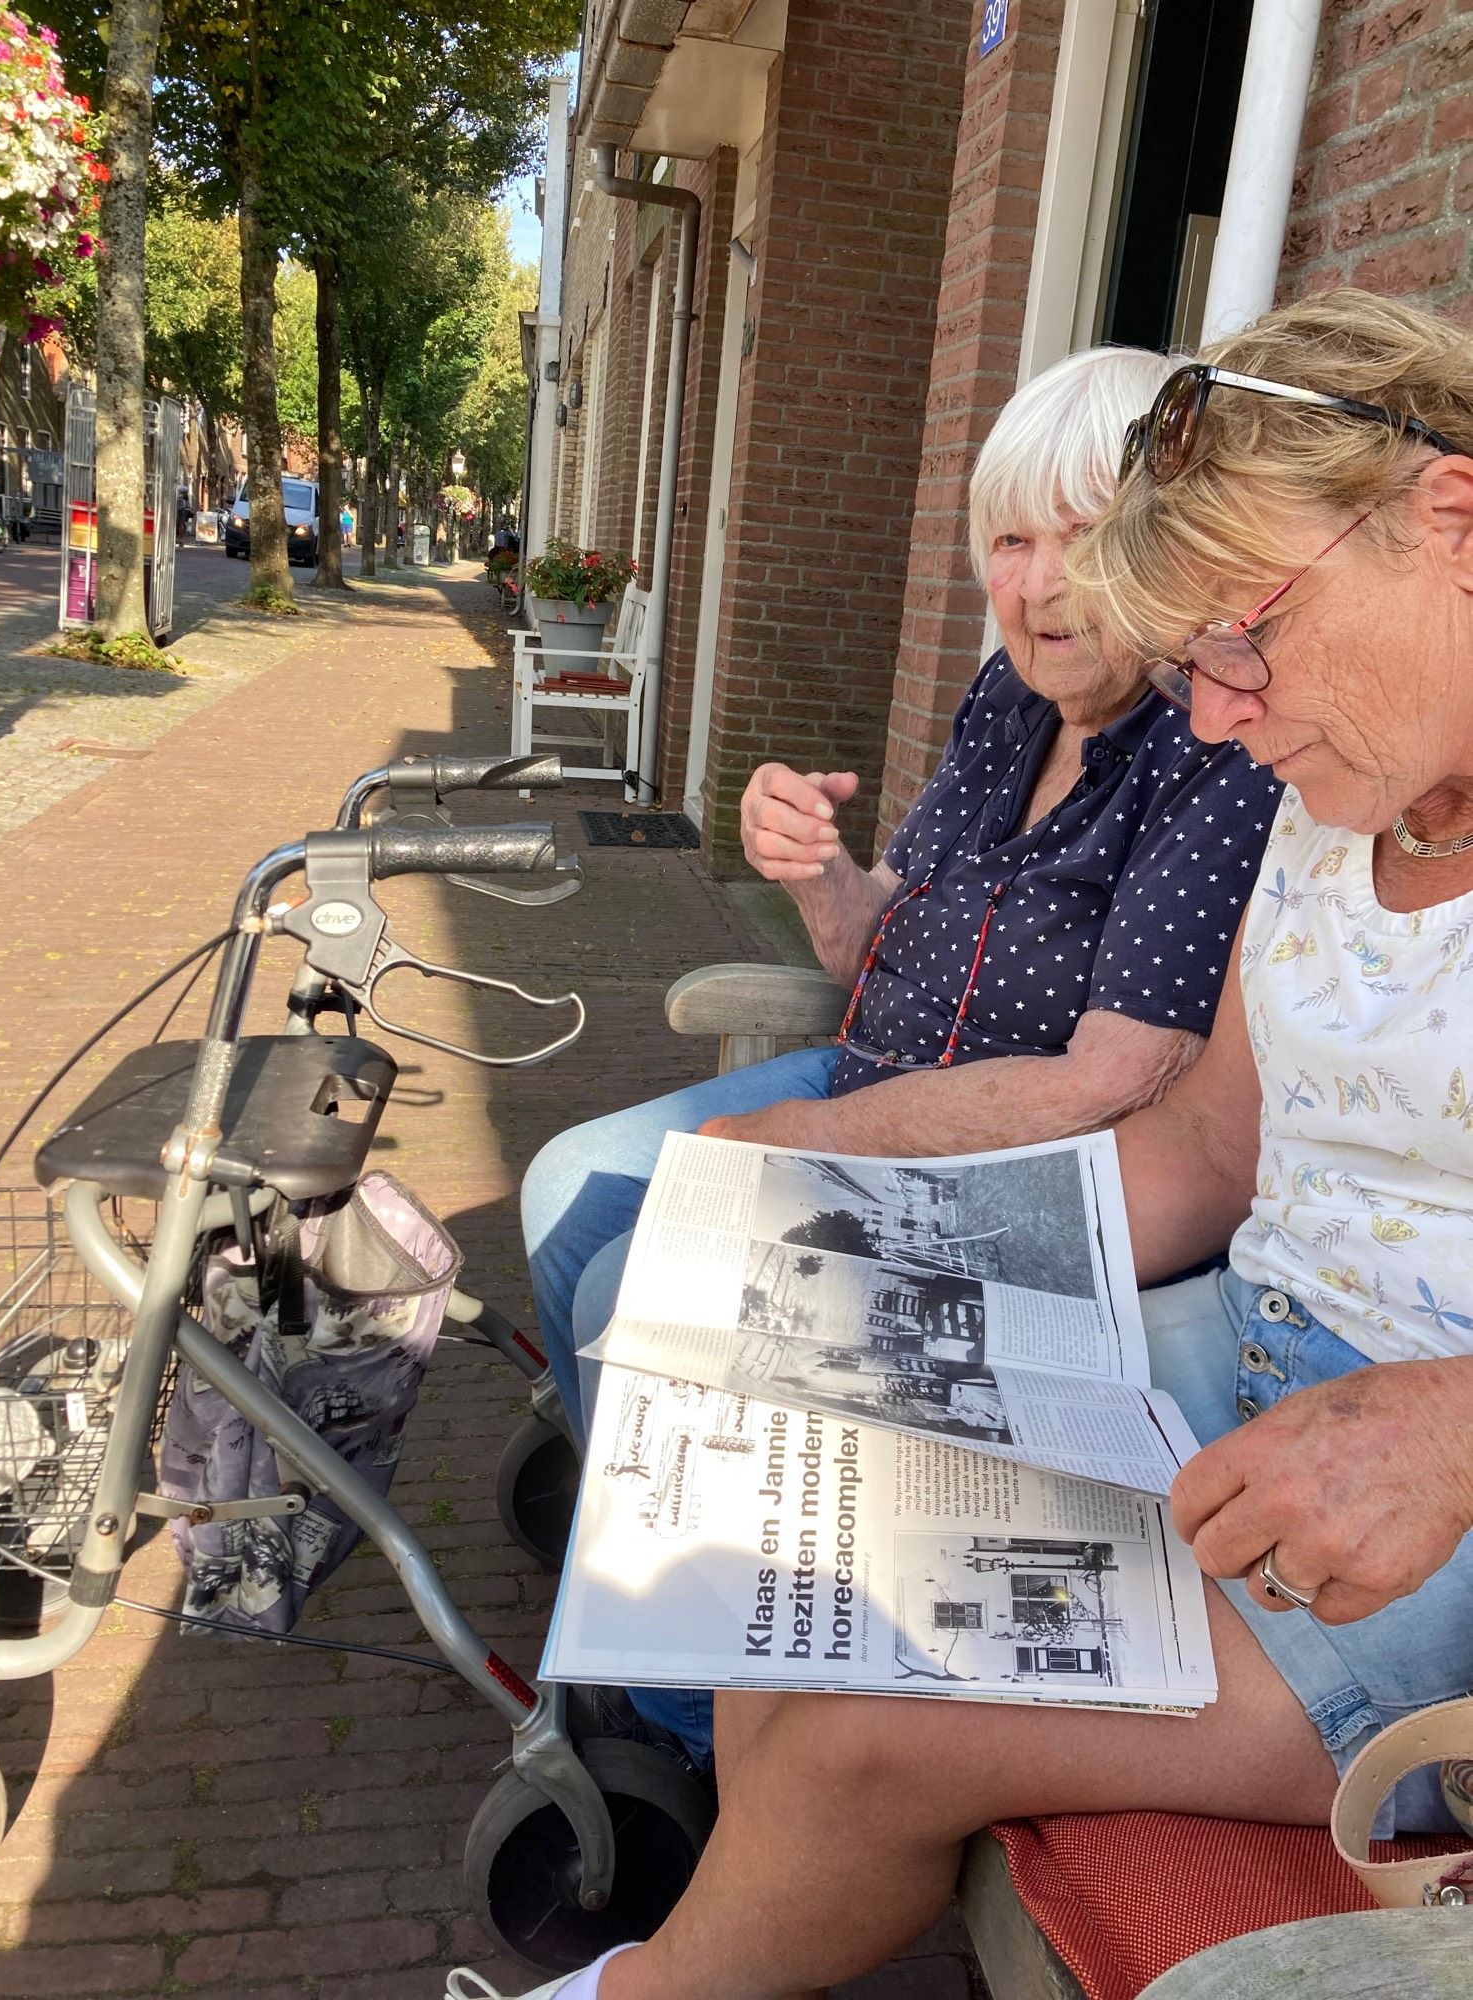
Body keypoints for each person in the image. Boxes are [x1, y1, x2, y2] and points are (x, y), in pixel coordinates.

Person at [463, 289, 1473, 2000]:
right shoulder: (1328, 810)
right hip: (1237, 1361)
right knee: (786, 1529)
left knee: (867, 1728)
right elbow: (1202, 1164)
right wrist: (863, 1233)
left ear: (1448, 515)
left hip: (1424, 1515)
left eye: (1243, 635)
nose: (1216, 719)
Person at [520, 346, 1280, 1760]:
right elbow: (865, 958)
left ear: (1168, 552)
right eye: (1009, 539)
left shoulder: (1213, 752)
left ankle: (688, 1729)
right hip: (864, 1078)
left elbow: (1114, 1082)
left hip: (1020, 1167)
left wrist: (787, 1152)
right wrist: (812, 868)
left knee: (645, 1265)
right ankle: (640, 1556)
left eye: (1082, 541)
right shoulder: (1008, 699)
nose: (1036, 586)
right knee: (572, 1183)